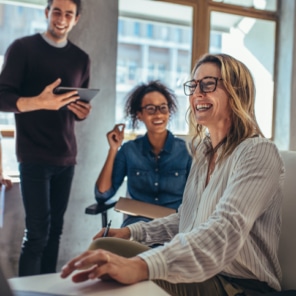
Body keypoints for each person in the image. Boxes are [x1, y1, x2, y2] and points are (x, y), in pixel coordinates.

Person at [61, 53, 284, 296]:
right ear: (140, 115)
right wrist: (131, 232)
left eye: (208, 84)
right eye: (194, 85)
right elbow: (186, 219)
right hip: (200, 270)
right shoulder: (204, 152)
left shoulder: (258, 151)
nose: (197, 93)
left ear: (237, 91)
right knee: (103, 247)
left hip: (237, 284)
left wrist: (142, 265)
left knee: (117, 277)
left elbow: (224, 230)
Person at [0, 0, 91, 276]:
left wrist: (83, 112)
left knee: (54, 233)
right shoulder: (22, 48)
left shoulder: (81, 58)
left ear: (76, 19)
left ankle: (48, 290)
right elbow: (2, 98)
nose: (61, 19)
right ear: (46, 13)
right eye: (57, 11)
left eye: (68, 14)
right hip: (33, 156)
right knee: (37, 234)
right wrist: (39, 102)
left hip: (66, 156)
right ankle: (29, 291)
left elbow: (77, 107)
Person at [95, 80, 192, 226]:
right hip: (136, 226)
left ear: (169, 112)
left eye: (163, 108)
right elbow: (102, 194)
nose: (158, 114)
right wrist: (113, 149)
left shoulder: (187, 152)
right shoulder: (129, 150)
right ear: (139, 114)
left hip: (174, 227)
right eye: (151, 109)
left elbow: (198, 198)